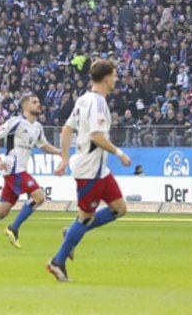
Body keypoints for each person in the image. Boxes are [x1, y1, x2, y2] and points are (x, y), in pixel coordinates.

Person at [47, 59, 132, 283]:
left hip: (98, 169)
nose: (115, 79)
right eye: (114, 76)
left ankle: (71, 233)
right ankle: (57, 261)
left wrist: (65, 159)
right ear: (106, 78)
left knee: (119, 208)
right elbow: (96, 136)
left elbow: (66, 129)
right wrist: (119, 153)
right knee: (85, 218)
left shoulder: (83, 99)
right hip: (89, 169)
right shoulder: (98, 103)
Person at [0, 93, 63, 254]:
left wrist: (59, 152)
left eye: (38, 101)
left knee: (2, 211)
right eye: (34, 102)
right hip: (13, 168)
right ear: (24, 105)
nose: (39, 104)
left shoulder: (38, 127)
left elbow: (43, 145)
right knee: (39, 196)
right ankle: (14, 228)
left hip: (19, 169)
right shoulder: (16, 122)